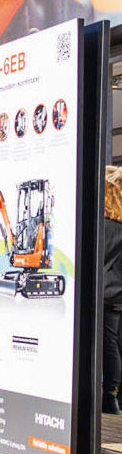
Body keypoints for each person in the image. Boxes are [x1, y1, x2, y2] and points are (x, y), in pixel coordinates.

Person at [103, 167, 122, 415]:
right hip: (117, 294)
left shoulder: (101, 226)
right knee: (111, 343)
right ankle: (111, 396)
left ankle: (104, 395)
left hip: (98, 293)